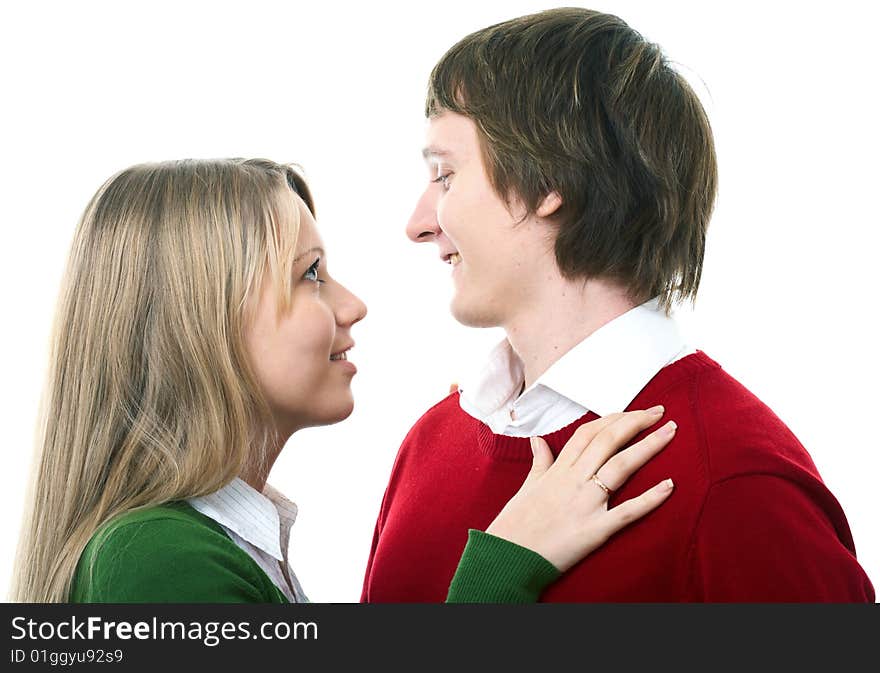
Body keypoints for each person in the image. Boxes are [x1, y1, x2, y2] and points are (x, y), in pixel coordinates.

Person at [360, 8, 875, 602]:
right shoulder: (431, 444)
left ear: (547, 180)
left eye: (445, 174)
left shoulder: (737, 481)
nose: (418, 225)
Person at [9, 158, 678, 604]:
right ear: (200, 319)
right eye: (310, 274)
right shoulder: (156, 558)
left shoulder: (218, 543)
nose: (352, 304)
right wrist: (505, 564)